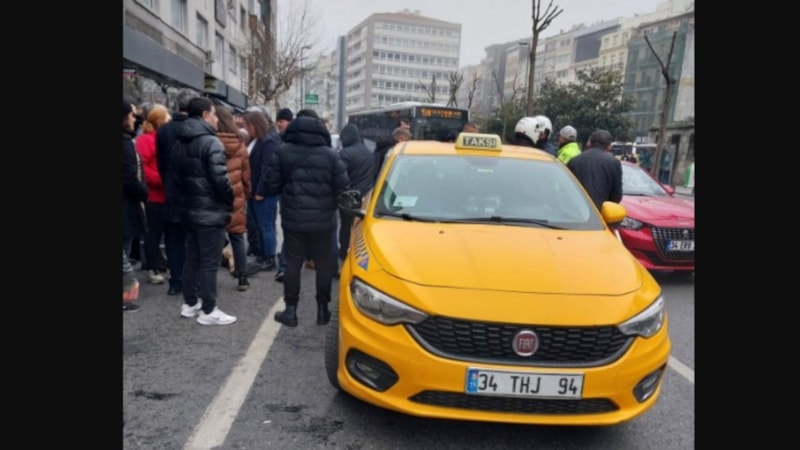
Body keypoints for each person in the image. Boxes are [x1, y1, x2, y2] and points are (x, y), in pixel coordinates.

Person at [264, 111, 349, 327]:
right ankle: (322, 310)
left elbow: (270, 185)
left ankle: (291, 311)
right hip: (323, 219)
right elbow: (343, 187)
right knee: (324, 264)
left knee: (293, 262)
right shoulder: (330, 155)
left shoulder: (283, 152)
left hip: (293, 218)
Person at [172, 97, 237, 326]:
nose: (217, 118)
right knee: (209, 262)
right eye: (214, 114)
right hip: (210, 212)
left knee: (192, 259)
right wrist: (229, 200)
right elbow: (221, 181)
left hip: (189, 210)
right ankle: (209, 310)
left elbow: (176, 178)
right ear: (204, 116)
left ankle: (190, 304)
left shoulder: (180, 142)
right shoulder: (211, 142)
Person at [157, 88, 200, 296]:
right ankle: (193, 282)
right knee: (193, 240)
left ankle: (176, 282)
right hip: (193, 194)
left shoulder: (164, 130)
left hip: (171, 192)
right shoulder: (196, 128)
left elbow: (160, 163)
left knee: (173, 240)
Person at [216, 105, 252, 292]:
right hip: (236, 195)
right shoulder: (241, 144)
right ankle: (243, 278)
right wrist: (246, 193)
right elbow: (246, 175)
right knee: (237, 237)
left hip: (215, 197)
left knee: (214, 238)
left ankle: (209, 279)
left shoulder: (210, 141)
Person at [135, 104, 171, 285]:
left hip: (166, 194)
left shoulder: (161, 138)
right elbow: (144, 169)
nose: (169, 120)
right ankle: (153, 267)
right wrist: (162, 179)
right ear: (158, 121)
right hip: (154, 195)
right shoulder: (146, 140)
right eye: (166, 117)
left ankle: (162, 264)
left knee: (166, 233)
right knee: (153, 234)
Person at [243, 109, 282, 272]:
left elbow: (267, 169)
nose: (246, 128)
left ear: (255, 125)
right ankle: (262, 253)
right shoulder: (257, 140)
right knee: (259, 224)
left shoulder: (268, 141)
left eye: (248, 125)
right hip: (254, 191)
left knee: (266, 225)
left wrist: (260, 191)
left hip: (264, 191)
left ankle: (269, 258)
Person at [337, 123, 374, 265]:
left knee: (345, 227)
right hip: (366, 194)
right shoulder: (368, 152)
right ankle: (359, 254)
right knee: (360, 228)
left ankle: (344, 252)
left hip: (349, 195)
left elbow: (341, 176)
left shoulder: (345, 153)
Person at [566, 129, 623, 210]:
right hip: (598, 214)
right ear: (609, 146)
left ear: (590, 143)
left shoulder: (574, 161)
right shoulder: (614, 163)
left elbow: (566, 189)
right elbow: (616, 196)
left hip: (575, 211)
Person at [123, 100, 149, 267]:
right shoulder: (125, 143)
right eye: (132, 116)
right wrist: (144, 192)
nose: (134, 120)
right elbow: (129, 178)